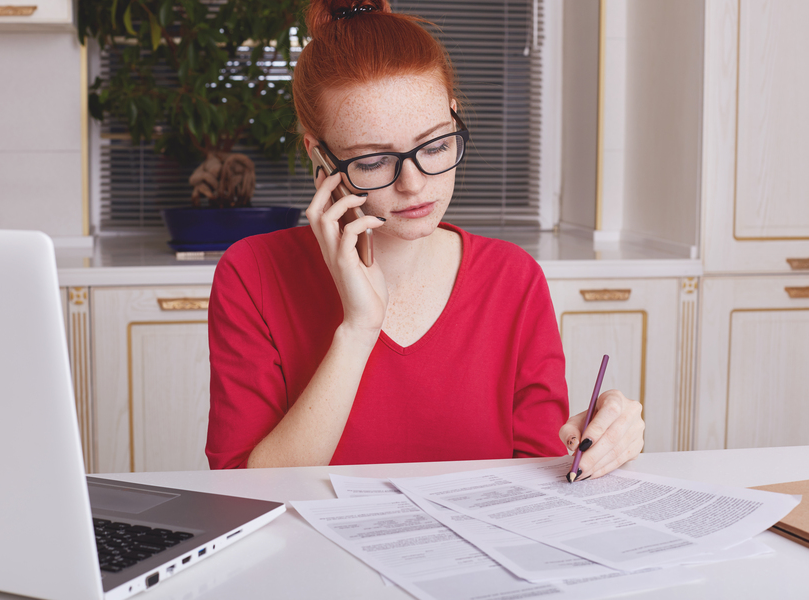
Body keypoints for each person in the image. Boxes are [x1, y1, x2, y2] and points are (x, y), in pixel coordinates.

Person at [205, 0, 644, 478]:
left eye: (435, 145)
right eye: (372, 162)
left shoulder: (513, 279)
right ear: (321, 157)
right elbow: (243, 488)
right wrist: (357, 332)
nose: (413, 184)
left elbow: (538, 483)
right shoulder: (252, 274)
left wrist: (599, 444)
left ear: (454, 117)